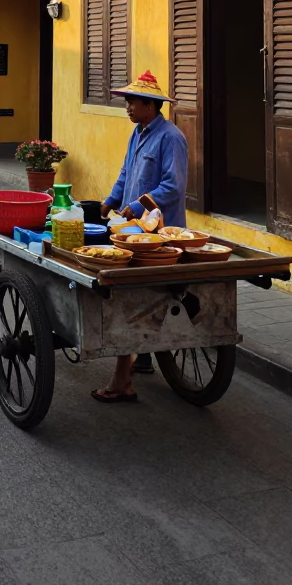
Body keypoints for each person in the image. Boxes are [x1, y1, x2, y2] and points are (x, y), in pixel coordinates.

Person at [91, 70, 188, 406]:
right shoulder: (138, 133)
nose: (128, 107)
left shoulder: (170, 138)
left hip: (160, 234)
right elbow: (126, 172)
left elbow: (172, 188)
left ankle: (123, 379)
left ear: (151, 105)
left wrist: (133, 206)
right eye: (128, 101)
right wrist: (111, 201)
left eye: (132, 102)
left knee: (131, 297)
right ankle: (142, 355)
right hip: (133, 233)